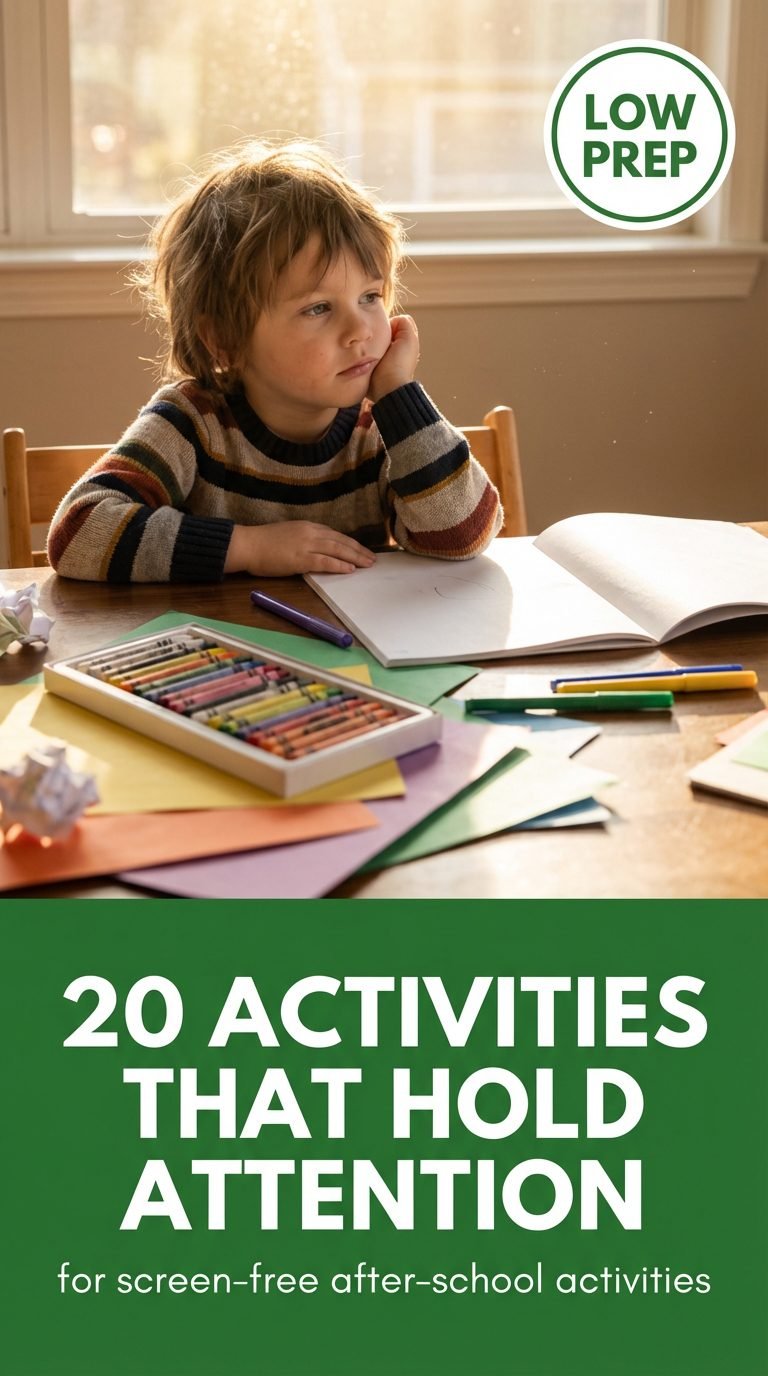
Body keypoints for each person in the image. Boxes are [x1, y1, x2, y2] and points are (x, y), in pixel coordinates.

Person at [47, 140, 503, 582]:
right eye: (318, 308)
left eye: (370, 296)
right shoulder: (193, 422)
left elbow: (461, 536)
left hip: (350, 651)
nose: (361, 330)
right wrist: (249, 548)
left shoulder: (383, 427)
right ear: (225, 340)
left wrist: (399, 396)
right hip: (228, 648)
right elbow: (78, 533)